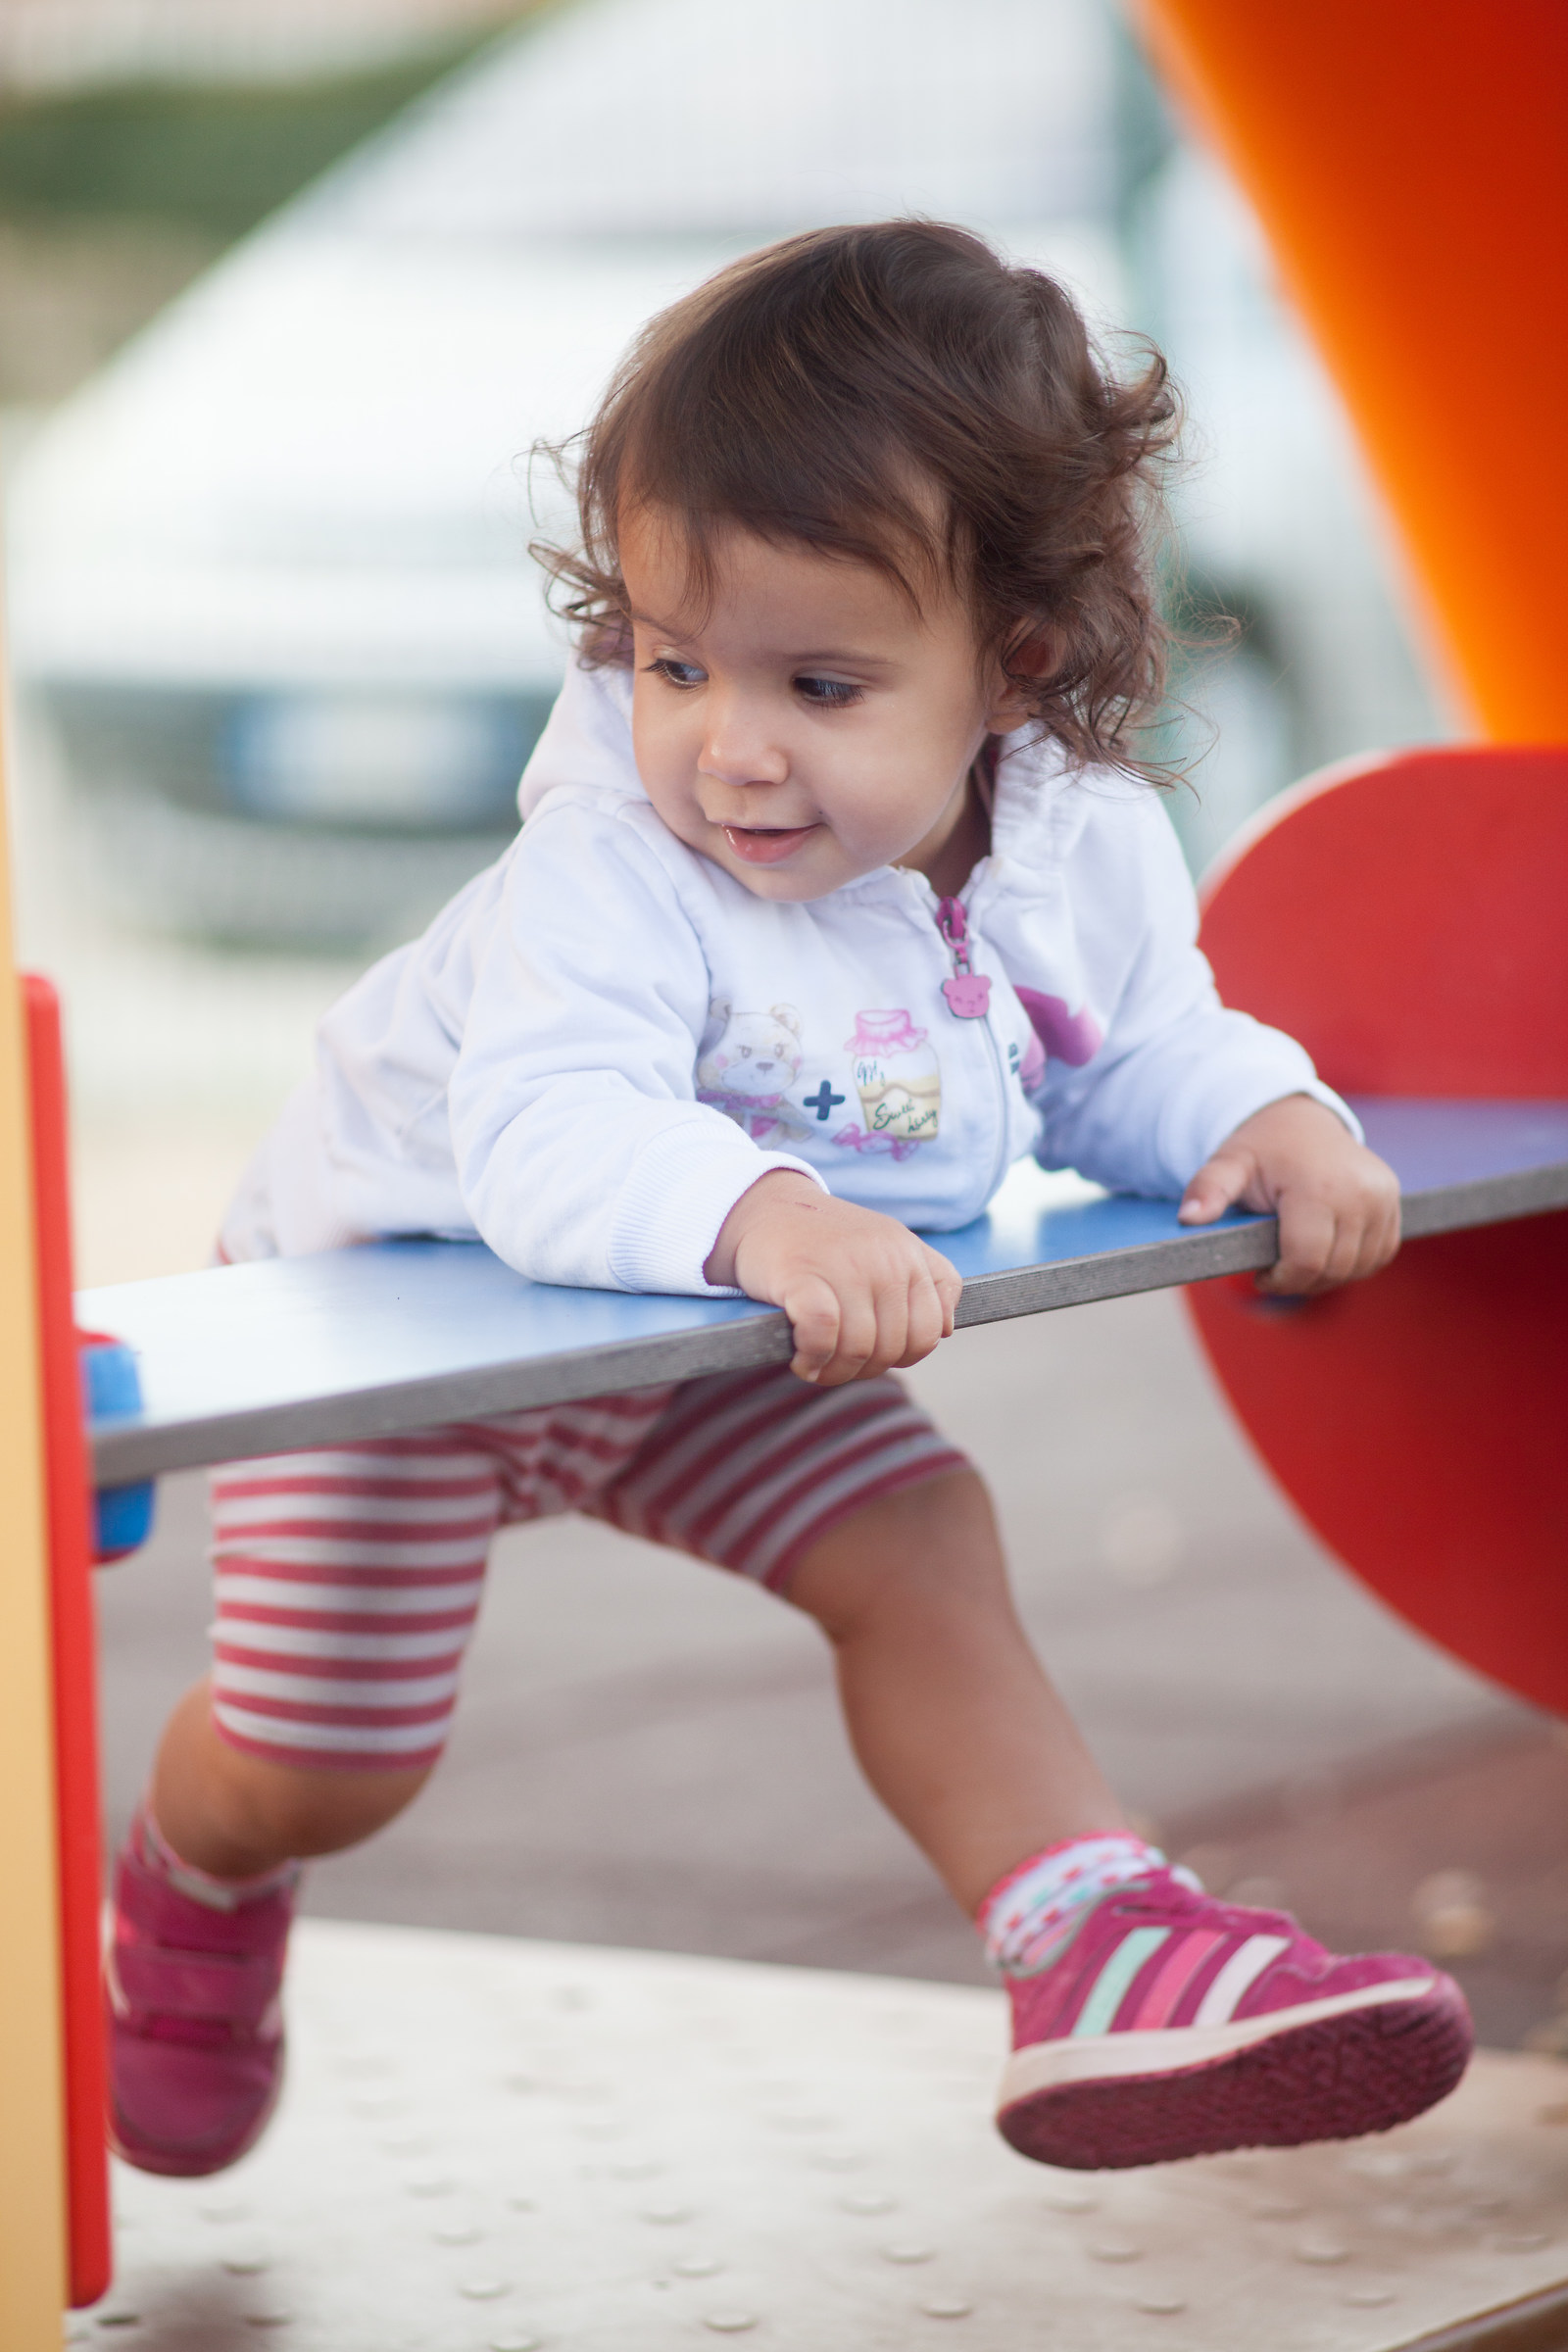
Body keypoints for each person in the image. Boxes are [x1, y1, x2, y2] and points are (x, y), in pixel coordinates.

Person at [106, 221, 1470, 2181]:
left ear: (1014, 663)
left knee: (915, 1536)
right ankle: (191, 1880)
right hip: (401, 1341)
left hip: (694, 1344)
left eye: (818, 683)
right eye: (674, 664)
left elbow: (1123, 1046)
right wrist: (765, 1216)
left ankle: (1095, 1951)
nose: (728, 748)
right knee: (328, 1764)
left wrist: (1262, 1116)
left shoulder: (1068, 841)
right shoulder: (613, 860)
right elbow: (551, 1126)